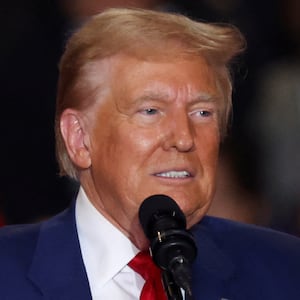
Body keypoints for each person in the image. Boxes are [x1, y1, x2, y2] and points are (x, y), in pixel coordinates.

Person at [0, 7, 300, 300]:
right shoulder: (7, 273)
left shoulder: (285, 270)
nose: (184, 138)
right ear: (80, 139)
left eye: (202, 112)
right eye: (151, 110)